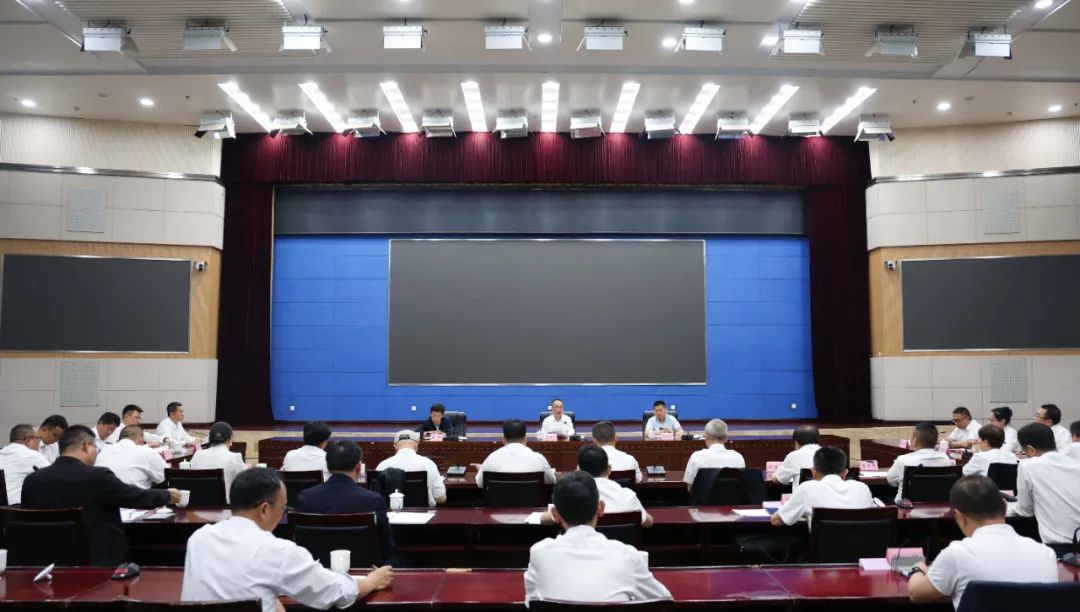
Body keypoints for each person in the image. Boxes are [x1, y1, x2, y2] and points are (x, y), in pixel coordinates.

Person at [182, 468, 393, 612]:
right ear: (265, 509)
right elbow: (332, 591)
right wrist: (370, 581)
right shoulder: (277, 551)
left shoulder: (199, 539)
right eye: (283, 508)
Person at [21, 425, 180, 566]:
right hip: (97, 562)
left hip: (45, 564)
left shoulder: (31, 481)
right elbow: (135, 497)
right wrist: (167, 495)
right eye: (95, 448)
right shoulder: (97, 477)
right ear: (86, 446)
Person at [907, 475, 1058, 609]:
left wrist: (918, 569)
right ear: (1005, 506)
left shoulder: (957, 554)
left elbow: (916, 594)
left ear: (959, 517)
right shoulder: (1046, 554)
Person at [524, 471, 671, 604]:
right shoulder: (628, 556)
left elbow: (532, 602)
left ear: (555, 514)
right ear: (600, 508)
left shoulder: (539, 553)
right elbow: (664, 601)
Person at [294, 441, 396, 564]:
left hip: (316, 569)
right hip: (366, 570)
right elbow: (387, 548)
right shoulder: (373, 500)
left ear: (328, 467)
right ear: (358, 467)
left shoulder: (305, 498)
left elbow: (299, 544)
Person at [541, 445, 652, 526]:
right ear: (609, 469)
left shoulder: (571, 495)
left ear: (578, 470)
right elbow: (649, 522)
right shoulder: (628, 496)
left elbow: (544, 519)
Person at [1014, 423, 1080, 549]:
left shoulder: (1028, 465)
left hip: (1060, 548)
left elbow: (1025, 511)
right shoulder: (1075, 463)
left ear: (1031, 449)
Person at [771, 447, 874, 527]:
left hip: (824, 548)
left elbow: (776, 520)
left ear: (813, 472)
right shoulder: (862, 488)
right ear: (845, 473)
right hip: (863, 547)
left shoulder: (807, 489)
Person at [476, 419, 556, 488]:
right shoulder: (539, 459)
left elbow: (480, 483)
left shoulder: (492, 458)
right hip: (531, 501)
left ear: (504, 440)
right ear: (525, 440)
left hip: (501, 501)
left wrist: (482, 469)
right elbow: (551, 480)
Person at [375, 430, 446, 507]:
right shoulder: (428, 463)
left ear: (395, 445)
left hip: (390, 513)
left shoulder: (382, 465)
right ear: (417, 443)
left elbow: (375, 496)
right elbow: (440, 498)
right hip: (424, 513)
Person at [885, 422, 952, 501]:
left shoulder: (903, 460)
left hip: (907, 507)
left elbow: (891, 481)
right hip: (938, 506)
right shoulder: (945, 459)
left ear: (914, 440)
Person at [188, 422, 247, 502]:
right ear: (230, 439)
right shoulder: (234, 457)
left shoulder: (197, 455)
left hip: (198, 505)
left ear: (209, 439)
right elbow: (245, 482)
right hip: (225, 507)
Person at [95, 425, 168, 489]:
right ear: (141, 439)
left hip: (101, 497)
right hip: (132, 498)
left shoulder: (104, 449)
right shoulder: (147, 451)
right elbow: (165, 477)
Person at [682, 419, 746, 490]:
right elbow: (742, 487)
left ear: (707, 437)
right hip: (732, 497)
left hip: (703, 497)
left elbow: (690, 488)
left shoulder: (696, 457)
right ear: (726, 438)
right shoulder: (738, 458)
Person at [0, 424, 50, 504]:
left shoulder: (2, 452)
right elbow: (54, 475)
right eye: (38, 439)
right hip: (15, 508)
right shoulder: (32, 455)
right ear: (28, 440)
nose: (39, 443)